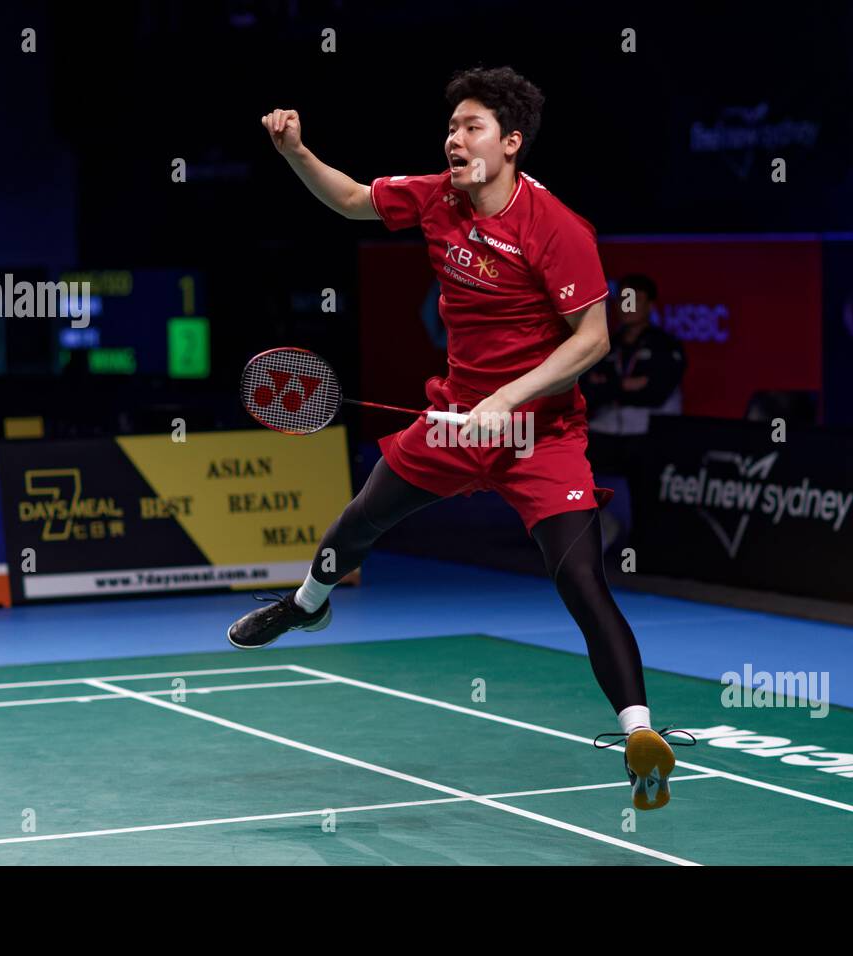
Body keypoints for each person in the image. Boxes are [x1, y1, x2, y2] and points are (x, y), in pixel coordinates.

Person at [231, 66, 690, 810]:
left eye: (472, 126)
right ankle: (307, 604)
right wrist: (294, 153)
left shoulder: (557, 229)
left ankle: (640, 736)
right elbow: (350, 200)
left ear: (510, 144)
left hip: (541, 437)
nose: (454, 137)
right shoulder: (437, 199)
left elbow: (594, 340)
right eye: (451, 126)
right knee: (361, 520)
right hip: (453, 421)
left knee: (581, 578)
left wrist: (510, 397)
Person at [581, 274, 686, 548]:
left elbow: (655, 393)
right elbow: (589, 391)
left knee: (647, 488)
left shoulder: (666, 346)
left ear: (650, 305)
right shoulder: (605, 345)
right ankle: (601, 524)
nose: (627, 306)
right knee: (565, 468)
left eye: (635, 300)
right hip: (605, 429)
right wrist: (628, 384)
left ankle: (645, 548)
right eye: (622, 300)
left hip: (647, 432)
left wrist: (611, 386)